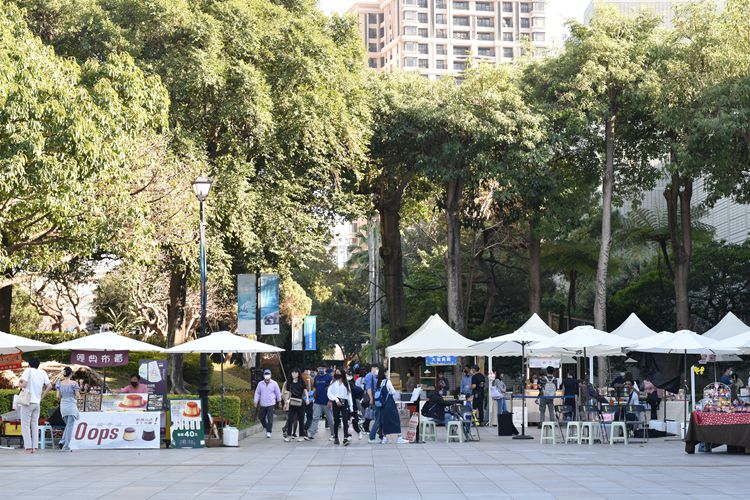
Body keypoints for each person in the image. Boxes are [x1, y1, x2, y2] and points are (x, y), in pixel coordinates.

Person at [18, 358, 52, 453]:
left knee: (25, 425)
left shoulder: (27, 370)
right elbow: (49, 386)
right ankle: (35, 447)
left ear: (29, 364)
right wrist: (42, 396)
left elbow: (23, 384)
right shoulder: (43, 373)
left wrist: (19, 382)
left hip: (27, 402)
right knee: (34, 424)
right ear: (38, 364)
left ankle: (28, 447)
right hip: (37, 402)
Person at [368, 368, 408, 444]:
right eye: (386, 372)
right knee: (396, 420)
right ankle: (399, 437)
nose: (387, 373)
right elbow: (393, 391)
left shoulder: (378, 382)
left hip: (382, 405)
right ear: (384, 373)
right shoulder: (387, 381)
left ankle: (385, 438)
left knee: (385, 421)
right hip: (389, 404)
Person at [56, 367, 81, 451]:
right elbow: (78, 395)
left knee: (68, 425)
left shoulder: (59, 383)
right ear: (71, 374)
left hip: (63, 405)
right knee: (70, 426)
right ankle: (66, 446)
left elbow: (58, 396)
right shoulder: (74, 383)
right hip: (71, 404)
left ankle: (62, 442)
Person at [327, 368, 353, 445]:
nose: (337, 374)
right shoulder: (333, 382)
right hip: (336, 402)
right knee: (336, 420)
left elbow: (349, 395)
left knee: (345, 420)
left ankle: (345, 438)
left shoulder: (346, 382)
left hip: (344, 402)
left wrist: (351, 406)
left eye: (338, 373)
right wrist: (336, 400)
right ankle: (336, 438)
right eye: (336, 372)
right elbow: (329, 392)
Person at [282, 368, 309, 442]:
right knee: (290, 419)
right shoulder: (289, 383)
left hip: (300, 403)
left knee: (301, 419)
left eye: (295, 373)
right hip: (292, 403)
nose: (294, 374)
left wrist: (307, 398)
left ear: (298, 374)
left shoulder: (301, 382)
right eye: (292, 373)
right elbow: (288, 393)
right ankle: (289, 436)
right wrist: (286, 402)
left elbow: (305, 390)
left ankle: (301, 435)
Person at [254, 369, 282, 438]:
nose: (267, 375)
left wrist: (279, 402)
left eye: (268, 374)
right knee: (261, 418)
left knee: (270, 419)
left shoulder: (274, 383)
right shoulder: (260, 384)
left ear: (270, 375)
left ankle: (269, 431)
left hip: (271, 404)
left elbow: (278, 393)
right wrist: (255, 401)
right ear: (263, 375)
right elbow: (257, 393)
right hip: (263, 404)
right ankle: (266, 427)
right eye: (265, 374)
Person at [309, 364, 334, 441]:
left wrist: (331, 400)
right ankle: (311, 434)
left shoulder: (330, 377)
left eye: (322, 368)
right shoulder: (316, 377)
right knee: (315, 417)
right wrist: (311, 395)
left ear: (325, 369)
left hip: (327, 402)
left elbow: (333, 389)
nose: (320, 369)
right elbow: (315, 388)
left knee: (330, 419)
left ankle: (333, 434)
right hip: (317, 401)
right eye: (319, 368)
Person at [349, 370, 364, 439]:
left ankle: (358, 432)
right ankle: (348, 436)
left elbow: (361, 391)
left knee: (354, 421)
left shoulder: (355, 388)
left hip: (353, 406)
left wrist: (358, 398)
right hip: (345, 405)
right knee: (347, 421)